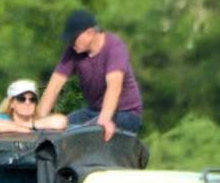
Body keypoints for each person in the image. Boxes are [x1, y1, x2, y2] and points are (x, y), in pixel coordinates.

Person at [37, 10, 144, 141]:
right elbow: (54, 86)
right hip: (93, 112)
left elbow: (114, 86)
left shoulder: (114, 47)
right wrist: (38, 122)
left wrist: (104, 119)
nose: (70, 43)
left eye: (73, 38)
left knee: (84, 133)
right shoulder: (73, 51)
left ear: (90, 33)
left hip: (125, 113)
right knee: (62, 127)